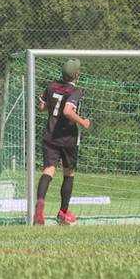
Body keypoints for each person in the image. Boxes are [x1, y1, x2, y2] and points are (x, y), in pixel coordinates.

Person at [33, 59, 91, 225]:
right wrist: (82, 122)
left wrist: (52, 106)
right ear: (76, 74)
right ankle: (63, 213)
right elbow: (67, 111)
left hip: (50, 135)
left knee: (49, 169)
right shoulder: (76, 91)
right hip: (68, 138)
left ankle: (41, 204)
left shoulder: (51, 86)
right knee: (69, 173)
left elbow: (42, 106)